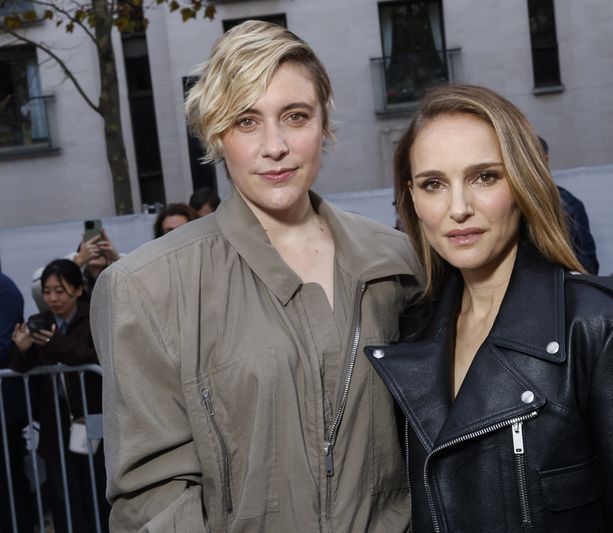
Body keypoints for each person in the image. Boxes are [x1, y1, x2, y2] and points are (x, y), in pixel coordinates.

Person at [91, 21, 421, 531]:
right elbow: (151, 501)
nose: (275, 146)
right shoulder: (147, 288)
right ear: (217, 134)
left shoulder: (396, 263)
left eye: (295, 116)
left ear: (323, 124)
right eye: (247, 121)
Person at [366, 83, 613, 531]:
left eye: (484, 177)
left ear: (523, 181)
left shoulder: (601, 323)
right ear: (411, 198)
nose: (458, 208)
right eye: (433, 184)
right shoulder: (409, 333)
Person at [9, 259, 109, 533]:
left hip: (93, 417)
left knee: (98, 489)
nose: (52, 298)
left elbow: (95, 358)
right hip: (55, 422)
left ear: (78, 290)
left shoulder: (94, 316)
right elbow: (19, 368)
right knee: (63, 493)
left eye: (60, 290)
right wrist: (22, 349)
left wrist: (56, 344)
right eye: (47, 291)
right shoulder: (38, 322)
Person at [0, 272, 34, 533]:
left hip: (5, 409)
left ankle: (22, 525)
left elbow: (5, 346)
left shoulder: (5, 290)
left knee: (10, 475)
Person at [537, 135, 599, 274]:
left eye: (531, 159)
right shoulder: (504, 204)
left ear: (545, 161)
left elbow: (588, 264)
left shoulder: (571, 205)